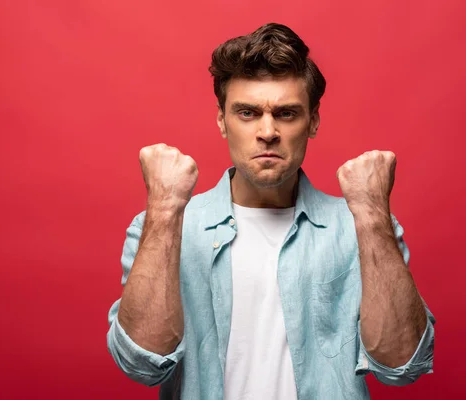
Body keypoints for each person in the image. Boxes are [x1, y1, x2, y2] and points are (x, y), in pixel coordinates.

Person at [106, 22, 435, 400]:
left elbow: (403, 365)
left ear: (312, 121)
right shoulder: (166, 225)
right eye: (247, 113)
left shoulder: (359, 225)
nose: (267, 131)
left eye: (286, 113)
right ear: (221, 121)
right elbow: (143, 366)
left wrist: (374, 214)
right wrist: (164, 207)